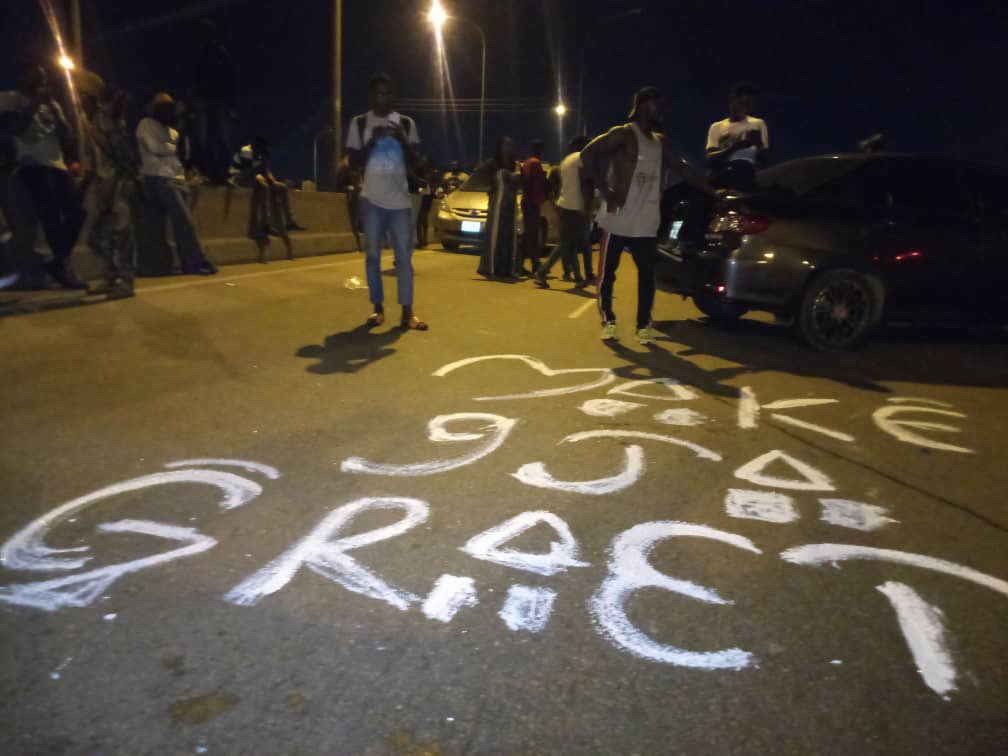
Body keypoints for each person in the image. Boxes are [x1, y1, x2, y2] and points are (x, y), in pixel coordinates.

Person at [581, 86, 714, 344]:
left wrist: (713, 191)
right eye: (657, 104)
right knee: (608, 274)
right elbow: (588, 156)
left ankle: (644, 325)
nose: (662, 110)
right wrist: (606, 192)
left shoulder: (661, 142)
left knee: (646, 274)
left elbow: (684, 169)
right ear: (643, 105)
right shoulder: (622, 134)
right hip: (618, 217)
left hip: (645, 220)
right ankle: (608, 320)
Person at [344, 73, 428, 331]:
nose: (383, 98)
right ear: (372, 97)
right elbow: (353, 163)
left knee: (404, 257)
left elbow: (418, 163)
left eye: (387, 93)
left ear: (393, 96)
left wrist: (401, 139)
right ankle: (377, 309)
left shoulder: (406, 123)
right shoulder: (359, 123)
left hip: (400, 201)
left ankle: (407, 313)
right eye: (378, 94)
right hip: (371, 200)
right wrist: (372, 141)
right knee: (372, 257)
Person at [0, 64, 86, 289]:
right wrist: (35, 103)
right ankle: (63, 266)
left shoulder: (51, 104)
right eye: (35, 77)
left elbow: (66, 134)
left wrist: (59, 115)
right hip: (31, 165)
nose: (41, 81)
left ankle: (58, 261)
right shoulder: (11, 99)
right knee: (51, 217)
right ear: (22, 78)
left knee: (78, 212)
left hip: (57, 165)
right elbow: (15, 130)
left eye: (43, 77)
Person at [136, 92, 217, 275]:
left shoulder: (173, 132)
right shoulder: (146, 124)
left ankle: (188, 263)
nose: (166, 111)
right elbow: (154, 148)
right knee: (183, 222)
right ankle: (197, 261)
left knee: (182, 224)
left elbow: (180, 156)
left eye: (169, 108)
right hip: (158, 178)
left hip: (176, 178)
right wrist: (170, 147)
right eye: (163, 108)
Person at [81, 87, 140, 298]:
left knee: (122, 233)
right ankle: (110, 276)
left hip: (120, 183)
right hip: (102, 185)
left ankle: (126, 281)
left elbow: (121, 150)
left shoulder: (107, 120)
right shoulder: (89, 124)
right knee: (96, 237)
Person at [534, 135, 593, 289]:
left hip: (565, 205)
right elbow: (584, 183)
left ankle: (579, 277)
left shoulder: (566, 161)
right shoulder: (581, 159)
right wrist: (586, 208)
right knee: (566, 245)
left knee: (570, 244)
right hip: (575, 208)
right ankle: (542, 272)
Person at [229, 136, 305, 242]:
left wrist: (272, 180)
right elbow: (246, 173)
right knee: (263, 185)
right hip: (237, 178)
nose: (260, 153)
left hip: (251, 178)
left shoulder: (261, 154)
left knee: (281, 187)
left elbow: (265, 172)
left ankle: (289, 222)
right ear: (255, 147)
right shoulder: (246, 151)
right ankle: (266, 224)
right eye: (260, 150)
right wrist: (259, 171)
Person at [192, 19, 237, 185]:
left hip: (218, 104)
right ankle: (210, 174)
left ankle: (224, 175)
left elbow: (231, 81)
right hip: (206, 103)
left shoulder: (220, 54)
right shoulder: (201, 55)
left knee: (221, 140)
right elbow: (196, 80)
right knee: (206, 140)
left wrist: (230, 105)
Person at [705, 82, 768, 191]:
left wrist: (758, 144)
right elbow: (710, 159)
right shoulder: (717, 126)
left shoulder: (758, 124)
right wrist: (735, 147)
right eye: (741, 102)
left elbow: (765, 160)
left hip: (748, 172)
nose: (745, 107)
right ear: (732, 101)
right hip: (723, 172)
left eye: (748, 104)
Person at [476, 136, 520, 280]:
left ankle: (504, 268)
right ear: (500, 147)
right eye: (505, 145)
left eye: (510, 145)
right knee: (494, 236)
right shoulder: (492, 163)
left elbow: (519, 181)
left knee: (507, 237)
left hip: (509, 206)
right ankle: (490, 268)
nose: (508, 148)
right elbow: (479, 175)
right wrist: (490, 186)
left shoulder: (513, 164)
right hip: (497, 206)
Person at [519, 139, 548, 275]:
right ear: (540, 151)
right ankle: (527, 264)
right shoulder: (535, 163)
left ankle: (532, 263)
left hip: (528, 201)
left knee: (530, 235)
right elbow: (530, 181)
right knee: (531, 235)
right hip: (532, 202)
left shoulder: (527, 162)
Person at [415, 157, 435, 248]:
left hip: (424, 196)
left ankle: (422, 241)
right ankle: (423, 240)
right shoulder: (429, 173)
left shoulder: (425, 173)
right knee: (422, 219)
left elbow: (425, 185)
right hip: (426, 196)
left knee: (420, 219)